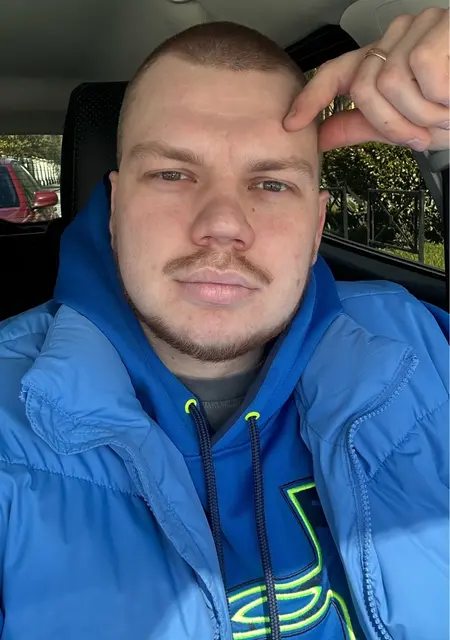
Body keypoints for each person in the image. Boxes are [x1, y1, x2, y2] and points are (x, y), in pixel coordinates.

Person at [0, 11, 448, 640]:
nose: (222, 224)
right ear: (115, 209)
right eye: (173, 174)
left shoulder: (423, 346)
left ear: (318, 226)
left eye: (271, 183)